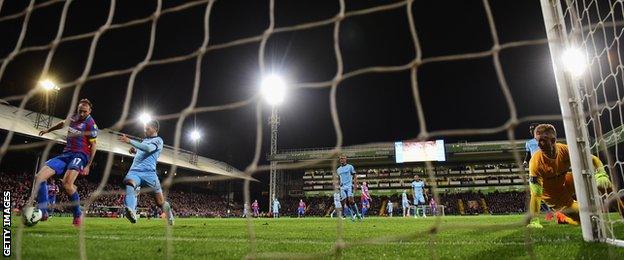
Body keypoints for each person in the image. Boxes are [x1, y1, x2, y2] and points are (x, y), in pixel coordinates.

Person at [526, 124, 612, 228]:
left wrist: (601, 173)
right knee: (587, 220)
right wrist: (534, 220)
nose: (539, 145)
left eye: (542, 140)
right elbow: (535, 194)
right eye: (537, 141)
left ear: (553, 141)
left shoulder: (564, 149)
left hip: (564, 182)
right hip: (553, 195)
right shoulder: (535, 162)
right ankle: (563, 218)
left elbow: (592, 159)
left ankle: (620, 208)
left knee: (602, 182)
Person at [32, 99, 98, 227]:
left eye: (85, 111)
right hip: (66, 154)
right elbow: (63, 123)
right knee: (39, 177)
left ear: (89, 111)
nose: (82, 113)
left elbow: (94, 145)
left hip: (80, 155)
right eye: (80, 111)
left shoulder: (91, 124)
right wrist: (48, 130)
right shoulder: (73, 117)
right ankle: (43, 211)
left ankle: (77, 214)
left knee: (67, 184)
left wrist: (88, 165)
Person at [118, 119, 174, 225]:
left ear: (155, 129)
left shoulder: (158, 140)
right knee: (129, 183)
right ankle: (131, 211)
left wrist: (130, 141)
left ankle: (169, 215)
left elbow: (148, 149)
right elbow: (143, 153)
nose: (145, 131)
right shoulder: (144, 140)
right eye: (145, 129)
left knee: (160, 202)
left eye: (147, 129)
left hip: (149, 174)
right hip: (135, 171)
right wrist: (135, 151)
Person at [337, 155, 361, 221]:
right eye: (340, 159)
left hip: (349, 186)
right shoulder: (338, 169)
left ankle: (358, 215)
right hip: (342, 187)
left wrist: (355, 185)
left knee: (351, 200)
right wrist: (339, 184)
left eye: (343, 158)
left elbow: (355, 175)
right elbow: (339, 178)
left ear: (346, 159)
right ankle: (352, 216)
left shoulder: (350, 167)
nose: (341, 160)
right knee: (344, 202)